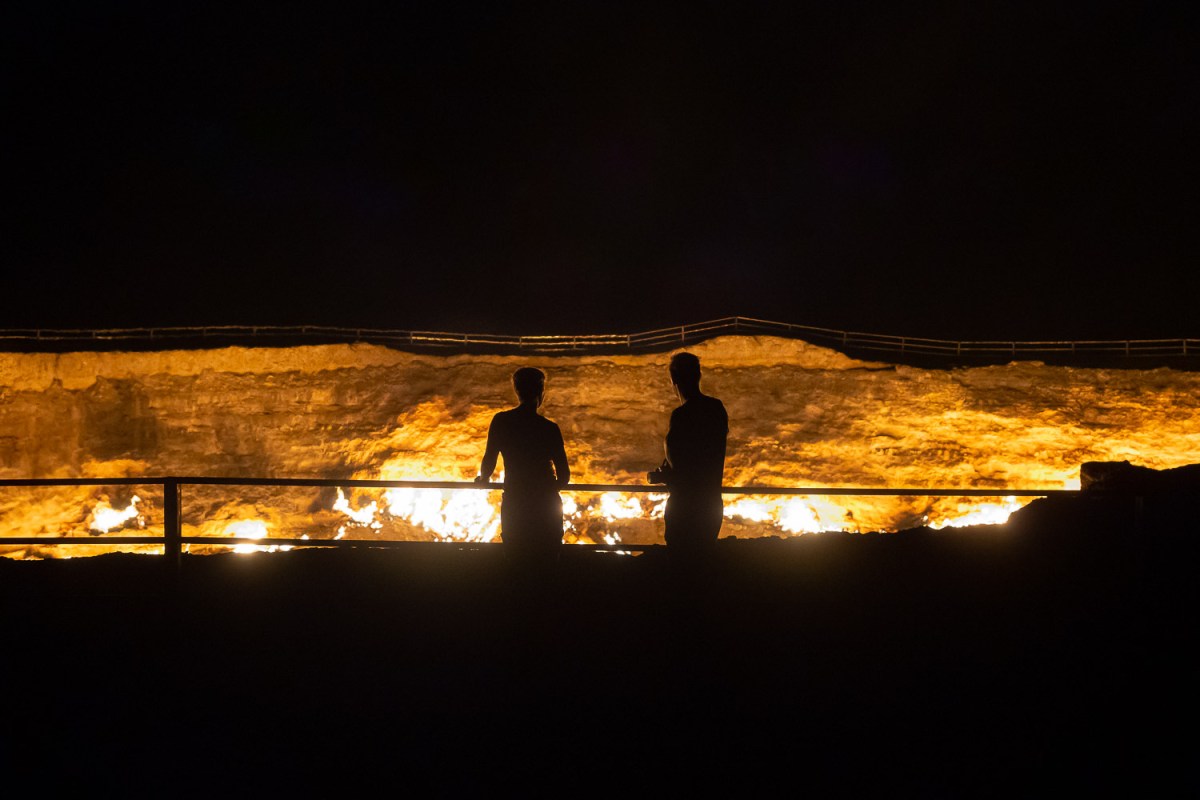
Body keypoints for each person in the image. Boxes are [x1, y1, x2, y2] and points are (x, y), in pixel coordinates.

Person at [476, 367, 570, 569]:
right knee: (548, 560)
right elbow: (564, 475)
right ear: (541, 392)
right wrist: (547, 490)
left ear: (517, 390)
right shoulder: (549, 428)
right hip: (545, 504)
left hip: (516, 500)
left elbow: (489, 460)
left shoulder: (501, 422)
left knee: (516, 558)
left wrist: (483, 479)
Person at [648, 352, 728, 563]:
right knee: (703, 563)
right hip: (711, 504)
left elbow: (685, 471)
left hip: (686, 507)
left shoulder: (681, 416)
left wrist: (662, 477)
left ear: (673, 379)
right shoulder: (716, 409)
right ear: (699, 375)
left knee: (682, 564)